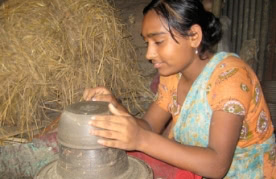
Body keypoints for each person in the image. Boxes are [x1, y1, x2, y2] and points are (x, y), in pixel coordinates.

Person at [83, 0, 276, 178]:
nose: (149, 54)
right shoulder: (172, 76)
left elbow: (217, 165)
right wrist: (115, 107)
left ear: (194, 36)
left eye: (158, 42)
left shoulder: (231, 77)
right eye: (147, 43)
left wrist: (141, 139)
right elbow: (149, 127)